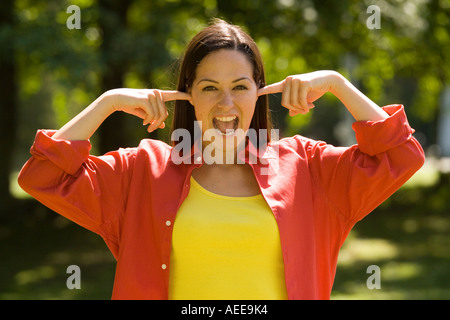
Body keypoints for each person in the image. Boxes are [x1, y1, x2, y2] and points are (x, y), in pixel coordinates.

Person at [18, 18, 425, 300]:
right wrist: (109, 102)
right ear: (188, 94)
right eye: (210, 87)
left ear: (260, 92)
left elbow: (400, 154)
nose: (226, 103)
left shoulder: (308, 168)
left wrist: (337, 83)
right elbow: (43, 174)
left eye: (240, 86)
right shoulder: (142, 171)